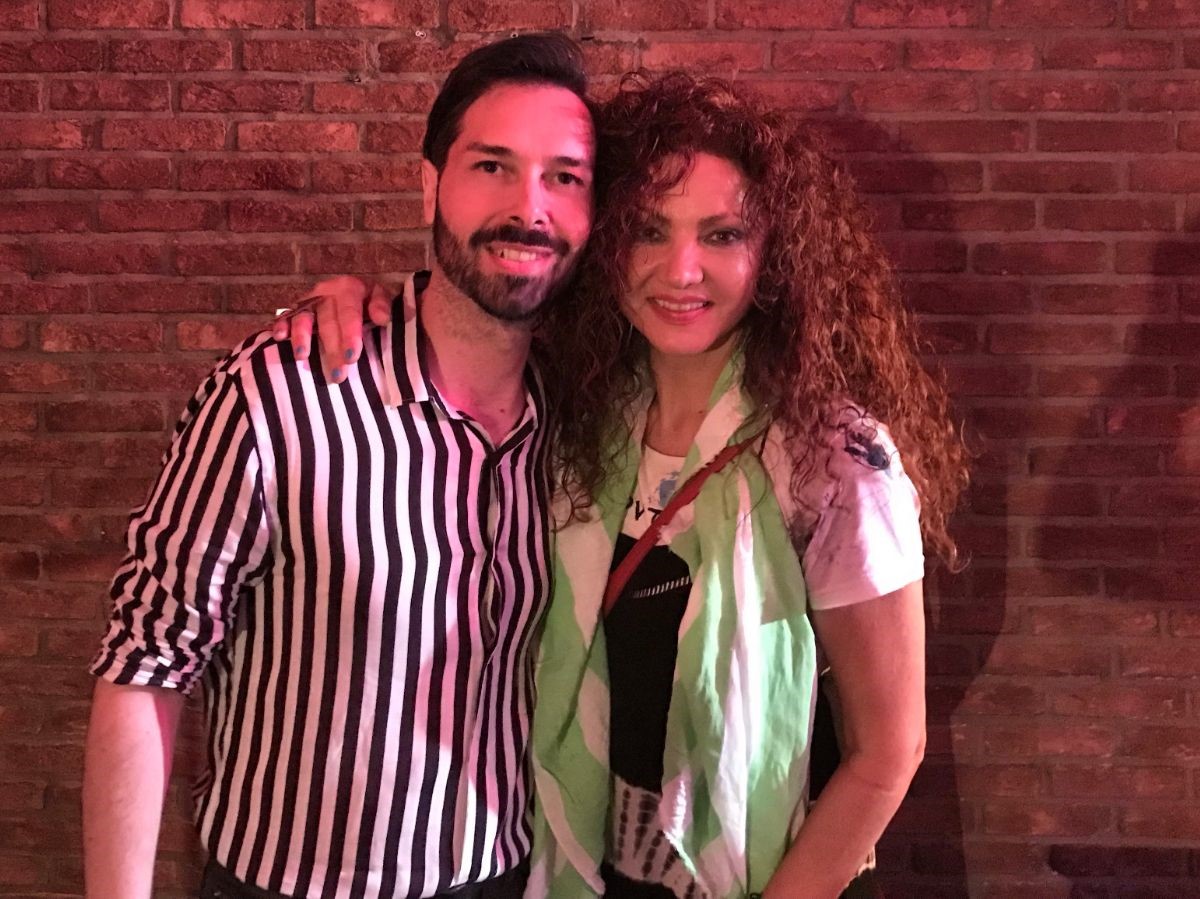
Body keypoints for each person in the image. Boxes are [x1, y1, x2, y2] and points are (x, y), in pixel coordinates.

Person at [288, 74, 968, 899]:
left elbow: (888, 751)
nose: (682, 270)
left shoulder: (834, 463)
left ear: (775, 256)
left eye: (722, 235)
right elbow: (457, 315)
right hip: (585, 870)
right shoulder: (580, 418)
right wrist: (359, 302)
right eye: (649, 230)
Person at [81, 34, 595, 899]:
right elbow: (145, 664)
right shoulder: (282, 393)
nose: (529, 207)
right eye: (492, 166)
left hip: (503, 875)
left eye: (565, 177)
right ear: (431, 184)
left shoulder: (582, 418)